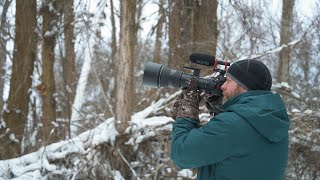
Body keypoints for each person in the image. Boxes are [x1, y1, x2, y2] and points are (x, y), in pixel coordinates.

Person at [170, 59, 290, 180]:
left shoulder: (232, 124)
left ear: (244, 86)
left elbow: (182, 153)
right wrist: (219, 110)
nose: (222, 86)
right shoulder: (272, 121)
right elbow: (238, 152)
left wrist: (186, 115)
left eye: (228, 81)